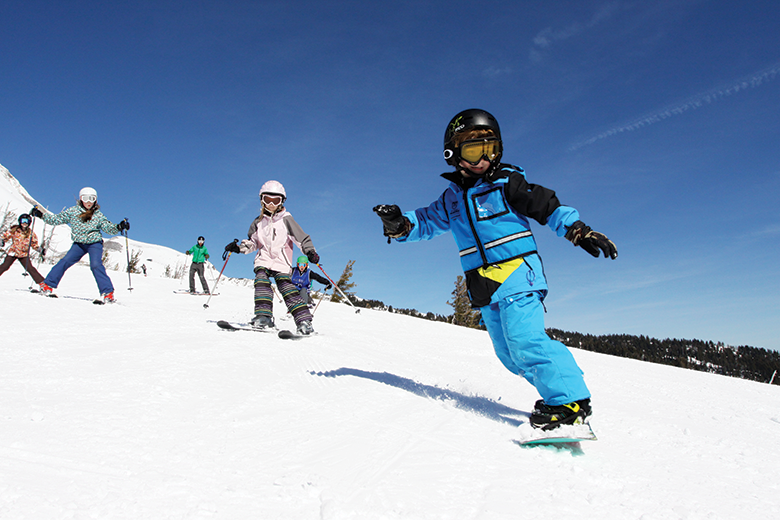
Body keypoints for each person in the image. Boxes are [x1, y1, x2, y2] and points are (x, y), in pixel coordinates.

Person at [373, 109, 618, 430]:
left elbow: (547, 206)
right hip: (484, 285)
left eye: (490, 150)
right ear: (453, 154)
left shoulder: (508, 184)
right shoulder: (451, 200)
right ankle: (557, 394)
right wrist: (399, 224)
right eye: (474, 151)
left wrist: (578, 229)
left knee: (525, 341)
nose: (483, 159)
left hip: (518, 274)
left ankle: (570, 400)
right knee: (509, 355)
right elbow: (426, 222)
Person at [224, 180, 320, 334]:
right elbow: (253, 242)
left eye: (276, 200)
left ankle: (304, 321)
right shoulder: (258, 222)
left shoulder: (286, 219)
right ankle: (264, 317)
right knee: (261, 281)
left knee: (287, 289)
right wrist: (239, 248)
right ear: (261, 200)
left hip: (281, 263)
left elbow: (301, 238)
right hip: (263, 259)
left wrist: (310, 252)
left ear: (282, 201)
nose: (271, 204)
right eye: (267, 200)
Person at [31, 187, 129, 303]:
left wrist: (119, 227)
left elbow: (108, 227)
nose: (88, 202)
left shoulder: (98, 215)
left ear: (95, 200)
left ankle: (108, 293)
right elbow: (56, 219)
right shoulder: (73, 211)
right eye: (85, 198)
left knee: (96, 265)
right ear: (81, 199)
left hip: (94, 243)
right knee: (65, 261)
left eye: (91, 199)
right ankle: (47, 285)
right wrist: (41, 215)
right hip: (79, 244)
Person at [0, 213, 45, 284]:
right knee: (5, 266)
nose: (24, 223)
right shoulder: (15, 230)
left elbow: (34, 243)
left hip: (23, 254)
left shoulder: (31, 233)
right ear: (20, 221)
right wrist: (2, 240)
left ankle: (43, 284)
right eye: (23, 220)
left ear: (29, 223)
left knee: (30, 269)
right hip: (13, 252)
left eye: (26, 221)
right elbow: (6, 236)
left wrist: (39, 249)